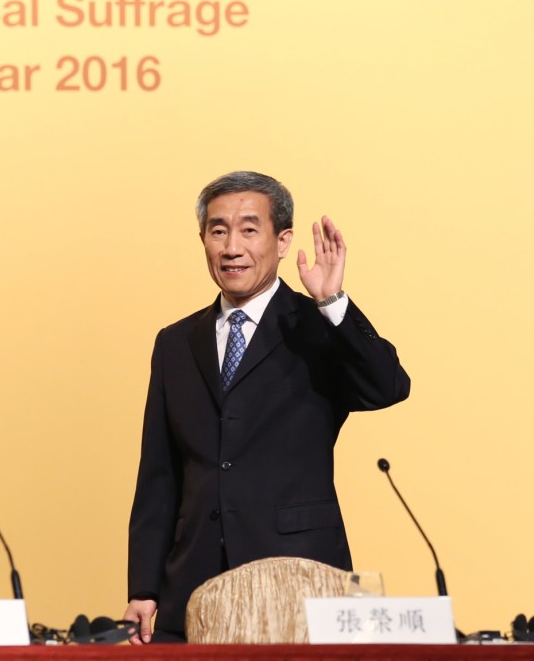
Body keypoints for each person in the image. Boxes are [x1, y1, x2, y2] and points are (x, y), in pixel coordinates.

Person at [124, 171, 410, 643]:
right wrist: (143, 588)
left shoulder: (318, 326)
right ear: (203, 241)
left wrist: (333, 302)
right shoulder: (175, 343)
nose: (232, 247)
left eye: (249, 230)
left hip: (299, 582)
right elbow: (159, 474)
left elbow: (388, 386)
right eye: (218, 231)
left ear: (282, 241)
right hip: (193, 585)